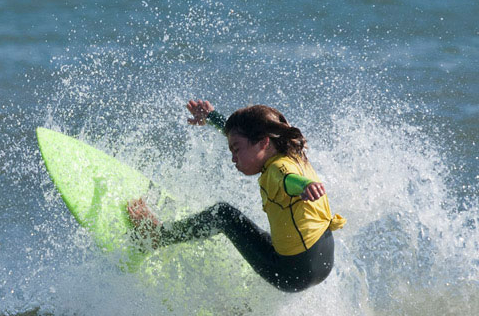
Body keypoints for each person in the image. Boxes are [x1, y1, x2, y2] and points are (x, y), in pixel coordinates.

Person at [127, 100, 345, 293]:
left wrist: (305, 185)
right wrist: (212, 117)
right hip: (323, 261)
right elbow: (249, 136)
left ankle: (156, 236)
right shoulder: (293, 151)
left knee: (224, 215)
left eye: (236, 150)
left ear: (263, 142)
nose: (233, 158)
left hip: (291, 273)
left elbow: (288, 179)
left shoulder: (276, 170)